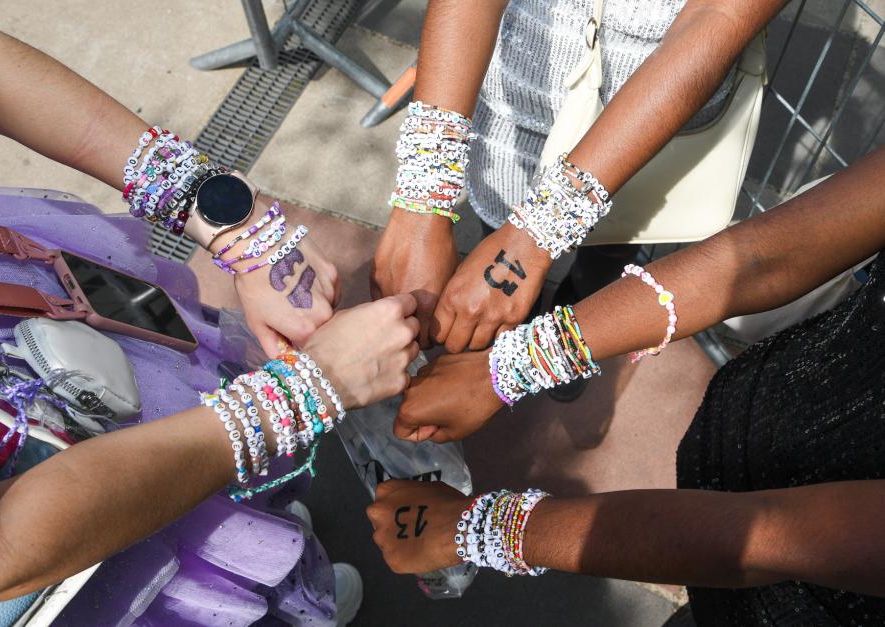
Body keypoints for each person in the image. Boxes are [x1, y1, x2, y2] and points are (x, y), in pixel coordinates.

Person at [0, 9, 418, 625]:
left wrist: (229, 223)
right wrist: (304, 393)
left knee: (183, 416)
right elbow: (6, 537)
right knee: (180, 566)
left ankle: (268, 546)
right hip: (51, 563)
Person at [368, 143, 885, 624]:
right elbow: (762, 258)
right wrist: (513, 365)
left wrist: (477, 529)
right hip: (759, 427)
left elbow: (760, 537)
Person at [371, 0, 786, 394]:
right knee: (498, 216)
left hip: (659, 126)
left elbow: (719, 16)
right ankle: (517, 327)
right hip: (521, 89)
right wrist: (423, 198)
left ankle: (569, 320)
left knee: (611, 252)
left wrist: (536, 233)